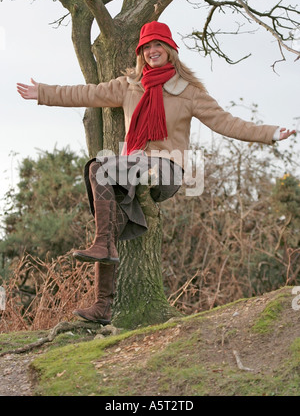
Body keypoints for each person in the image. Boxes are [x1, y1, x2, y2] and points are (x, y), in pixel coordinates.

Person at [17, 21, 296, 325]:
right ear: (141, 53)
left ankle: (103, 243)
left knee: (99, 166)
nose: (152, 51)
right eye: (146, 47)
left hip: (167, 168)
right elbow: (87, 93)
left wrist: (270, 133)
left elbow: (227, 123)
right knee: (112, 221)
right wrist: (42, 92)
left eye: (158, 45)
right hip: (132, 169)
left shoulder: (188, 93)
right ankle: (103, 305)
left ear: (170, 50)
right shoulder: (128, 86)